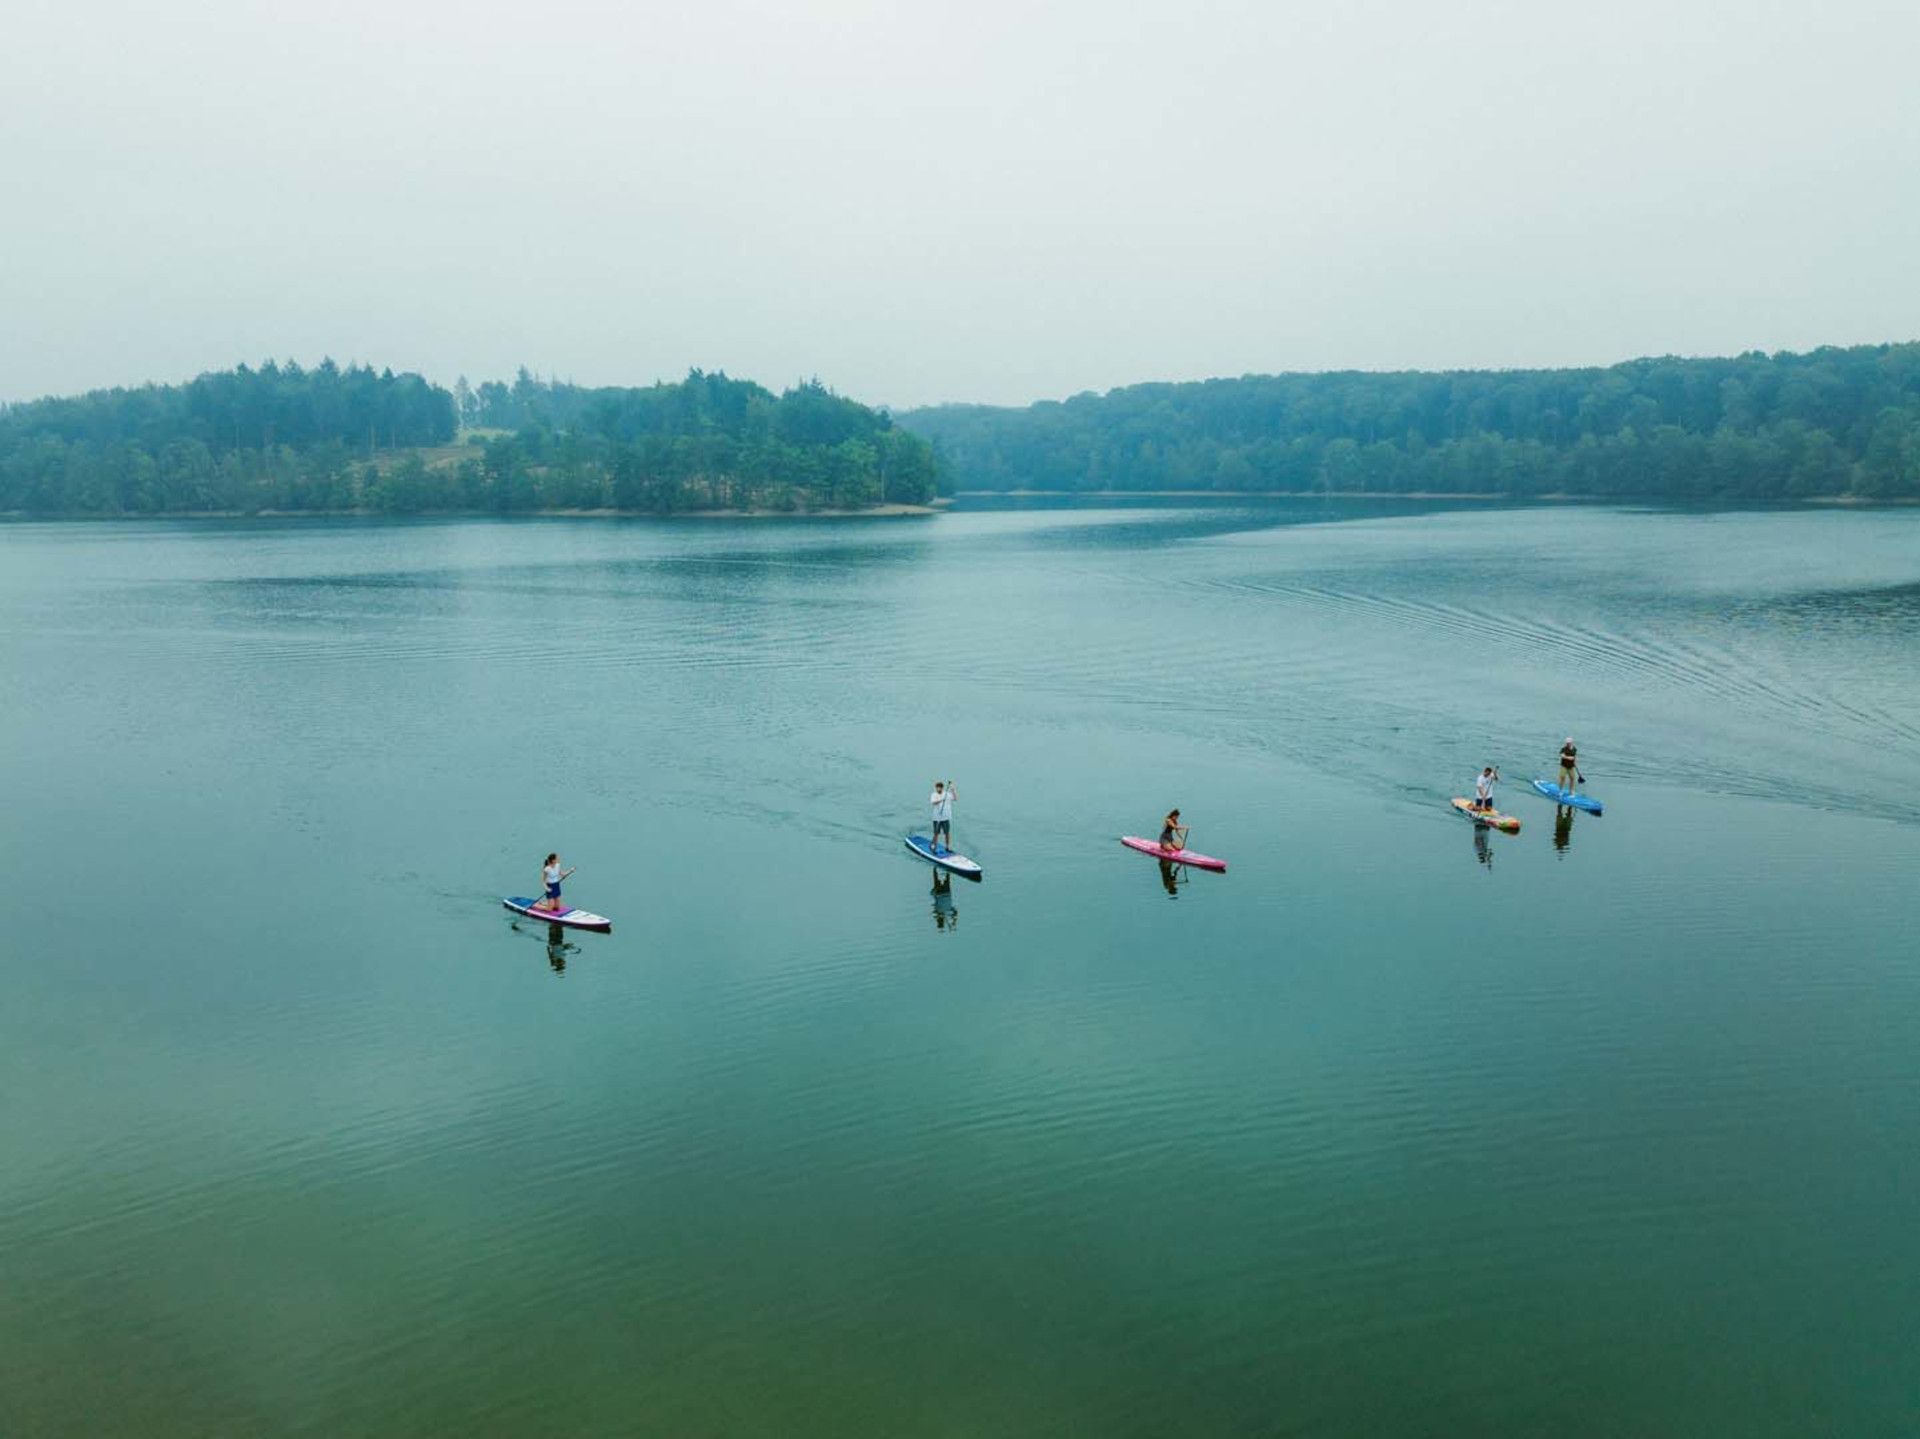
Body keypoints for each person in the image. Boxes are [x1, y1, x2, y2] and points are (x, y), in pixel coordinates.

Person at [929, 780, 956, 855]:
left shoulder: (947, 794)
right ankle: (934, 847)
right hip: (937, 818)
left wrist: (953, 790)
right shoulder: (933, 795)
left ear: (942, 788)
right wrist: (941, 800)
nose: (938, 789)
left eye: (940, 788)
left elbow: (955, 798)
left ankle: (947, 847)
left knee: (947, 833)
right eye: (937, 788)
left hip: (946, 818)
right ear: (936, 788)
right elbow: (933, 802)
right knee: (936, 833)